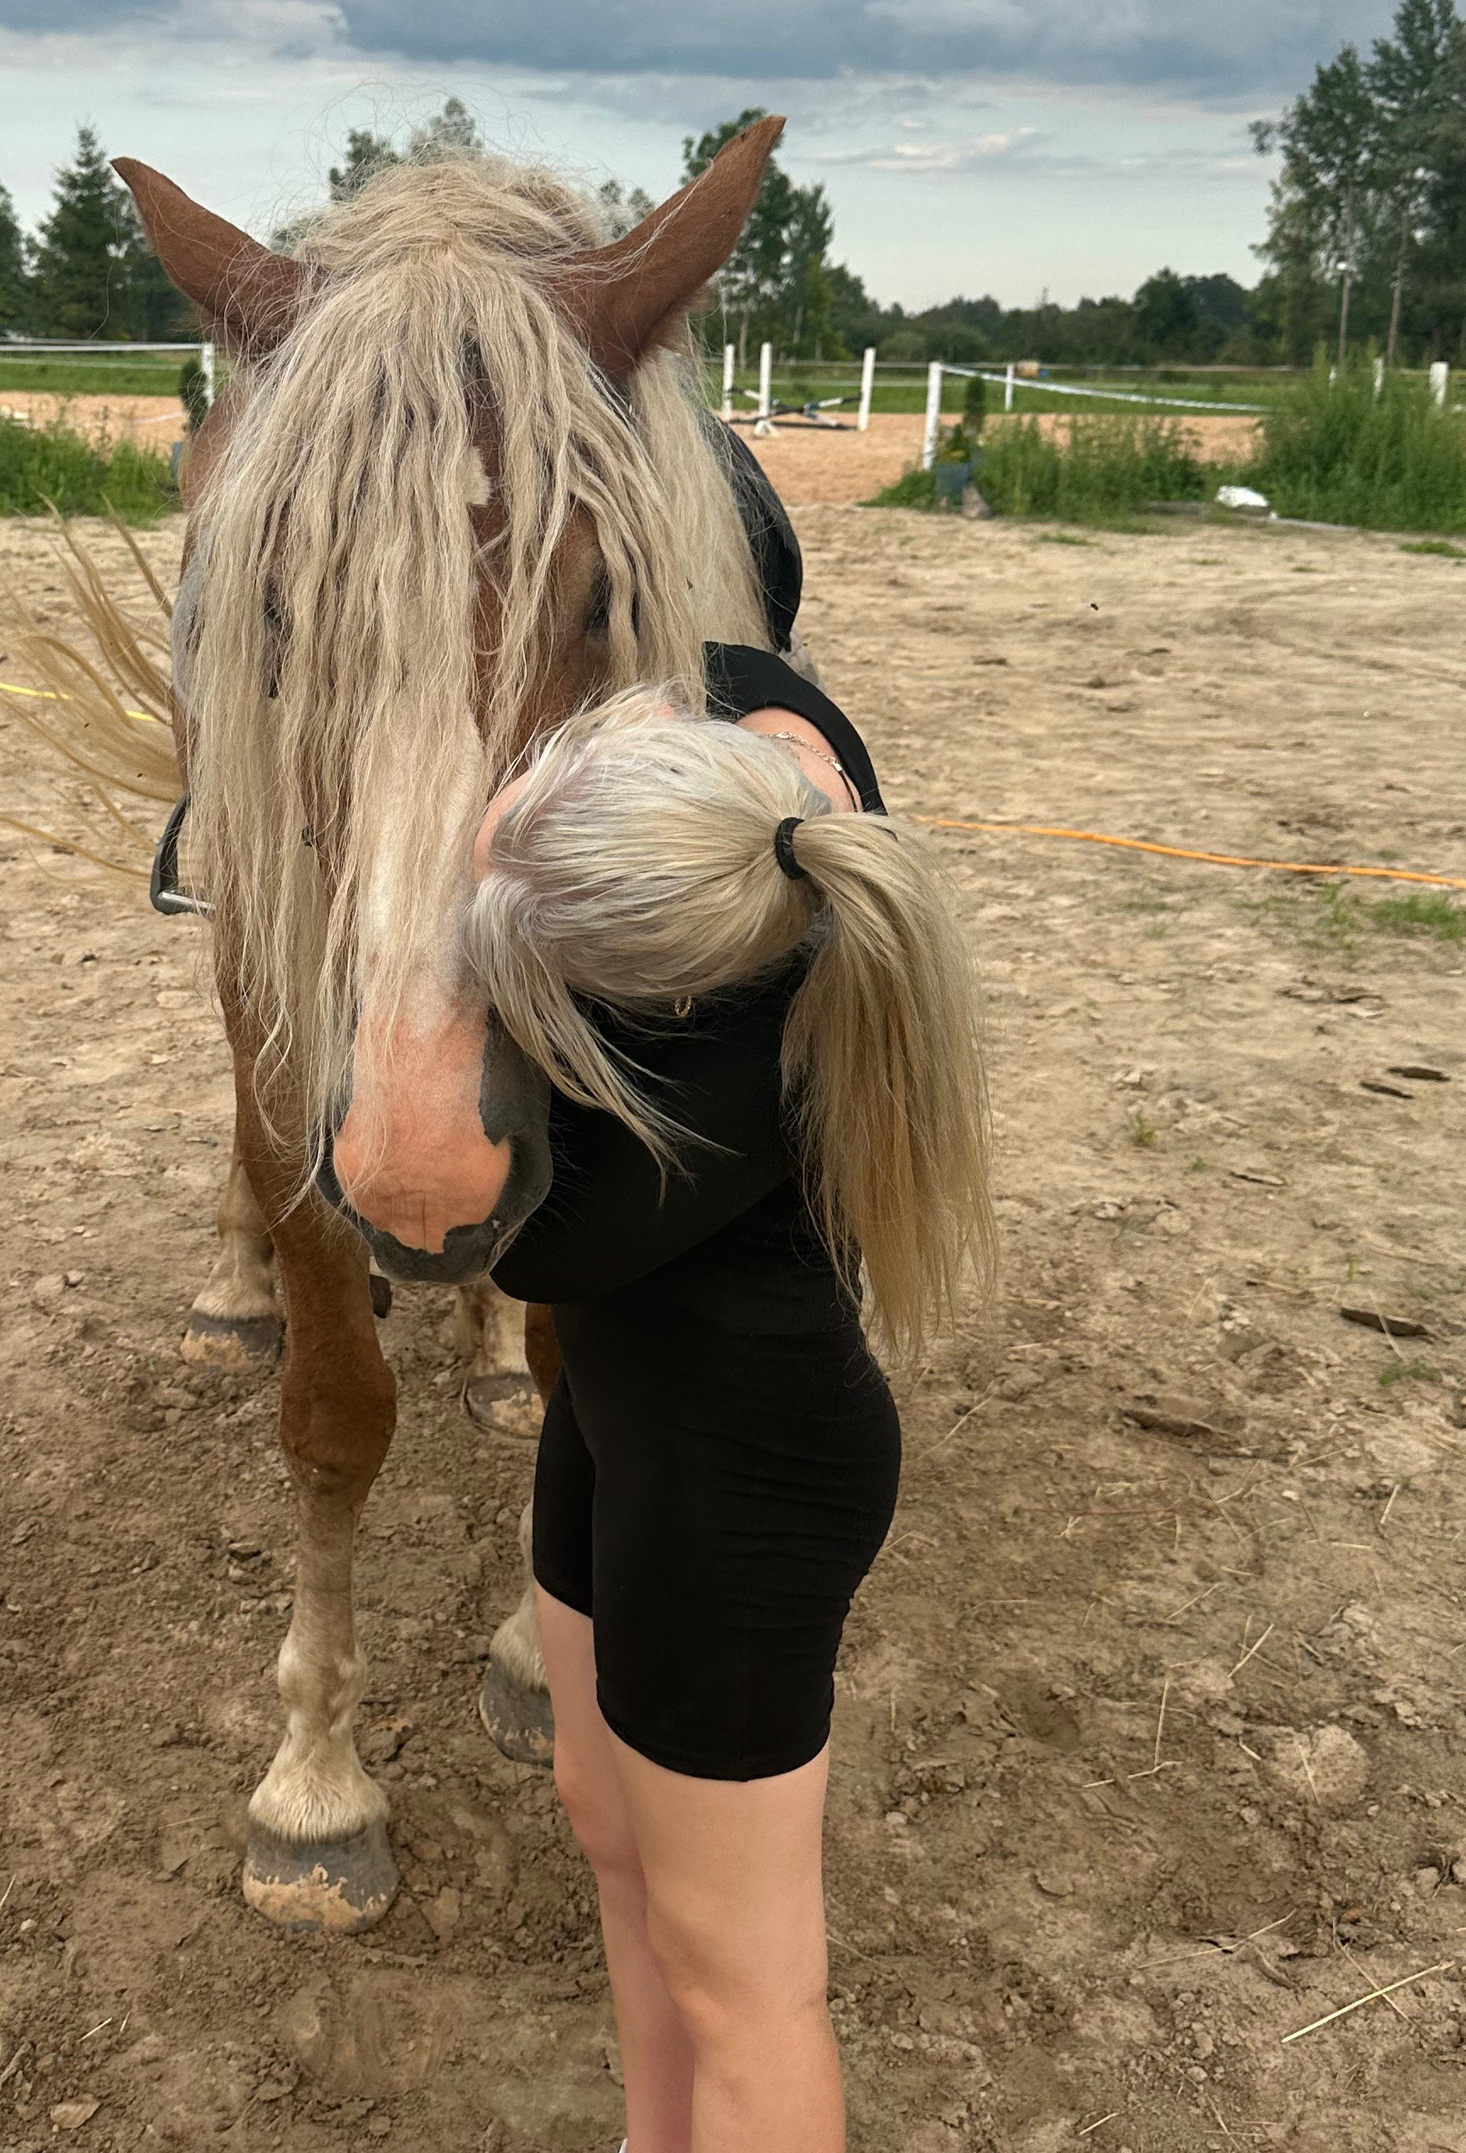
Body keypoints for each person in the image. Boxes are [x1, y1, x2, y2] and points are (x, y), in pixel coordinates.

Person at [465, 646, 991, 2153]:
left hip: (740, 1495)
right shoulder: (770, 892)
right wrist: (681, 710)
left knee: (747, 1985)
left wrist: (495, 857)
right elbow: (740, 657)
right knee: (608, 1825)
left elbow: (519, 1251)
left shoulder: (700, 1124)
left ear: (664, 1000)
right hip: (629, 1432)